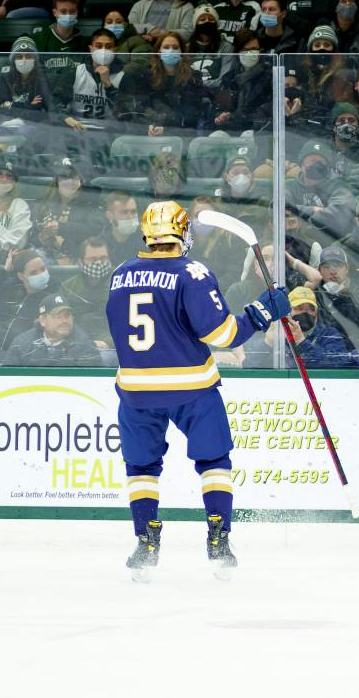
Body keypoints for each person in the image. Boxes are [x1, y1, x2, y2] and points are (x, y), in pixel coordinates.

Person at [105, 200, 291, 578]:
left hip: (136, 389)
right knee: (213, 460)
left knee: (141, 467)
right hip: (191, 385)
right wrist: (261, 312)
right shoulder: (192, 271)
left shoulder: (121, 274)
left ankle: (146, 541)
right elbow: (221, 334)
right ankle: (218, 538)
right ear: (180, 233)